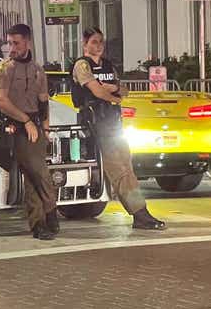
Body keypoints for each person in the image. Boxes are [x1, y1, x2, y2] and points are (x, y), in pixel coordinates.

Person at [71, 28, 166, 230]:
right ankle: (140, 214)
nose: (99, 46)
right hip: (96, 123)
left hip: (113, 122)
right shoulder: (82, 65)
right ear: (85, 44)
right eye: (94, 42)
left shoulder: (107, 65)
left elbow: (124, 89)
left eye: (101, 42)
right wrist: (114, 97)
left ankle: (139, 211)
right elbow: (96, 90)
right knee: (119, 170)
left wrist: (113, 90)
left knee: (127, 167)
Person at [0, 24, 59, 240]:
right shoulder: (2, 69)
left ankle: (39, 224)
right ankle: (50, 212)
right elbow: (2, 101)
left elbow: (43, 101)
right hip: (16, 126)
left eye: (16, 43)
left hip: (36, 127)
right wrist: (26, 121)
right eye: (9, 42)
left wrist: (45, 128)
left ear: (27, 43)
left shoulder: (37, 69)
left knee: (33, 175)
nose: (11, 48)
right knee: (38, 171)